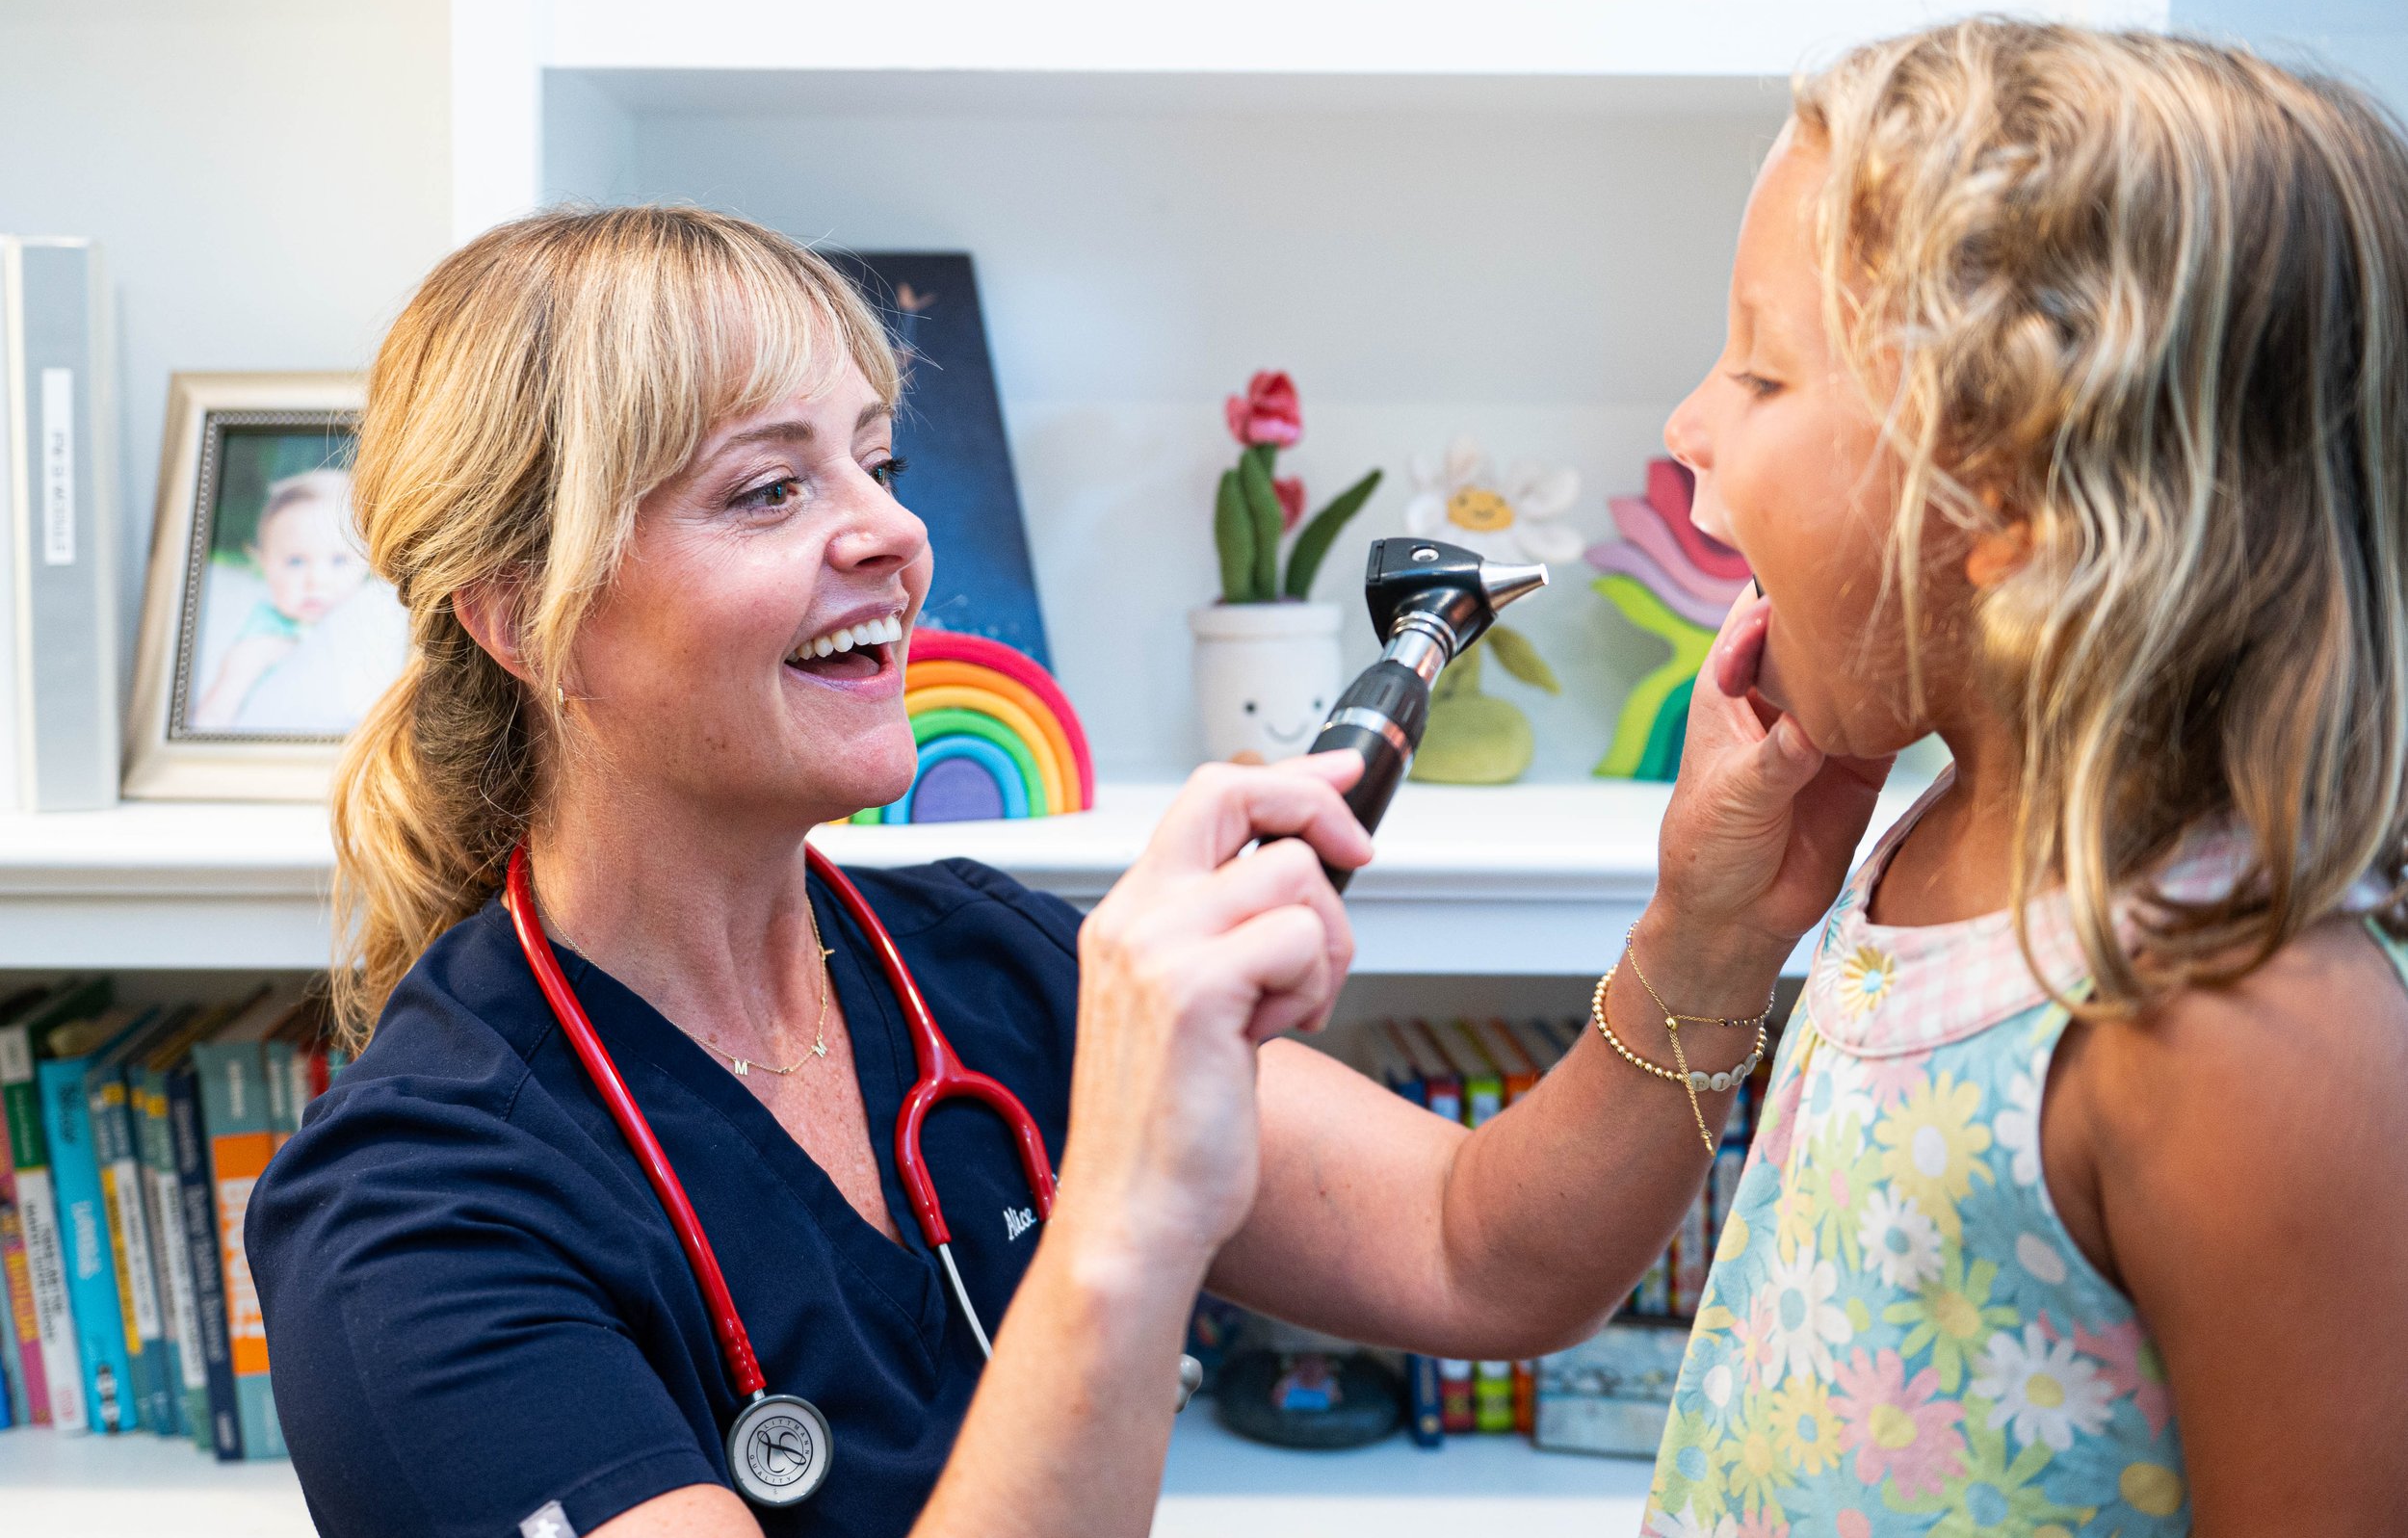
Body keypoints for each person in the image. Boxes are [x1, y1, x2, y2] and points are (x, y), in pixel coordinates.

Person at [247, 206, 1887, 1538]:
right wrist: (1133, 1197)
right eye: (768, 487)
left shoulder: (979, 969)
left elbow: (1490, 1250)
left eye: (876, 462)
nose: (889, 530)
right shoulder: (410, 1221)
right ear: (521, 614)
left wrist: (1713, 926)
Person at [1638, 20, 2408, 1536]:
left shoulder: (2247, 1031)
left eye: (1762, 370)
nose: (1689, 426)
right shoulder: (1925, 836)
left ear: (2012, 493)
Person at [194, 468, 372, 728]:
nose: (317, 580)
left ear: (367, 562)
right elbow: (210, 718)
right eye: (296, 561)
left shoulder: (367, 615)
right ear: (263, 563)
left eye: (339, 560)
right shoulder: (263, 639)